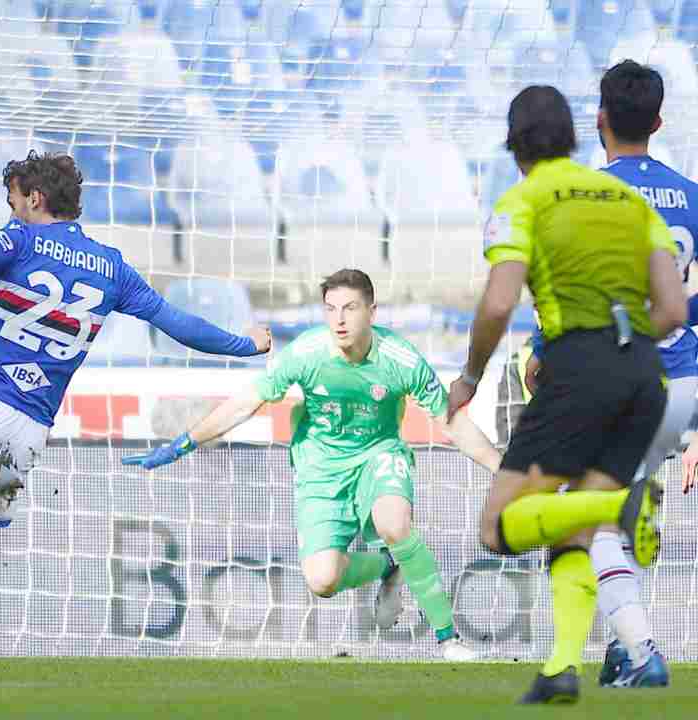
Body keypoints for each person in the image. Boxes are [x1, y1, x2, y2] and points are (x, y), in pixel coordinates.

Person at [0, 150, 272, 666]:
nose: (11, 209)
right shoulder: (113, 268)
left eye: (14, 200)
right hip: (28, 428)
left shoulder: (19, 239)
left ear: (35, 198)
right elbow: (177, 323)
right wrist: (246, 344)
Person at [446, 85, 687, 704]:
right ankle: (561, 668)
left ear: (513, 144)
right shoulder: (625, 199)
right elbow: (672, 308)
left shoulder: (522, 200)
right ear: (578, 134)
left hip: (577, 371)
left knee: (499, 526)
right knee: (569, 528)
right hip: (645, 377)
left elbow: (499, 301)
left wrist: (471, 376)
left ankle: (622, 513)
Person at [122, 268, 500, 660]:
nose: (339, 319)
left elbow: (452, 423)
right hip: (320, 468)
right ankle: (386, 566)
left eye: (350, 308)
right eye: (331, 308)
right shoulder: (306, 353)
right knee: (322, 579)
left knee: (394, 523)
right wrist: (185, 443)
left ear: (372, 312)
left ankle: (448, 638)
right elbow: (246, 402)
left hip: (379, 454)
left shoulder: (400, 359)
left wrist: (500, 469)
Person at [526, 60, 697, 689]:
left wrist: (541, 352)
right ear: (657, 121)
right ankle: (625, 650)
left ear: (598, 120)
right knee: (615, 513)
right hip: (684, 381)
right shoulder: (691, 194)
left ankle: (644, 651)